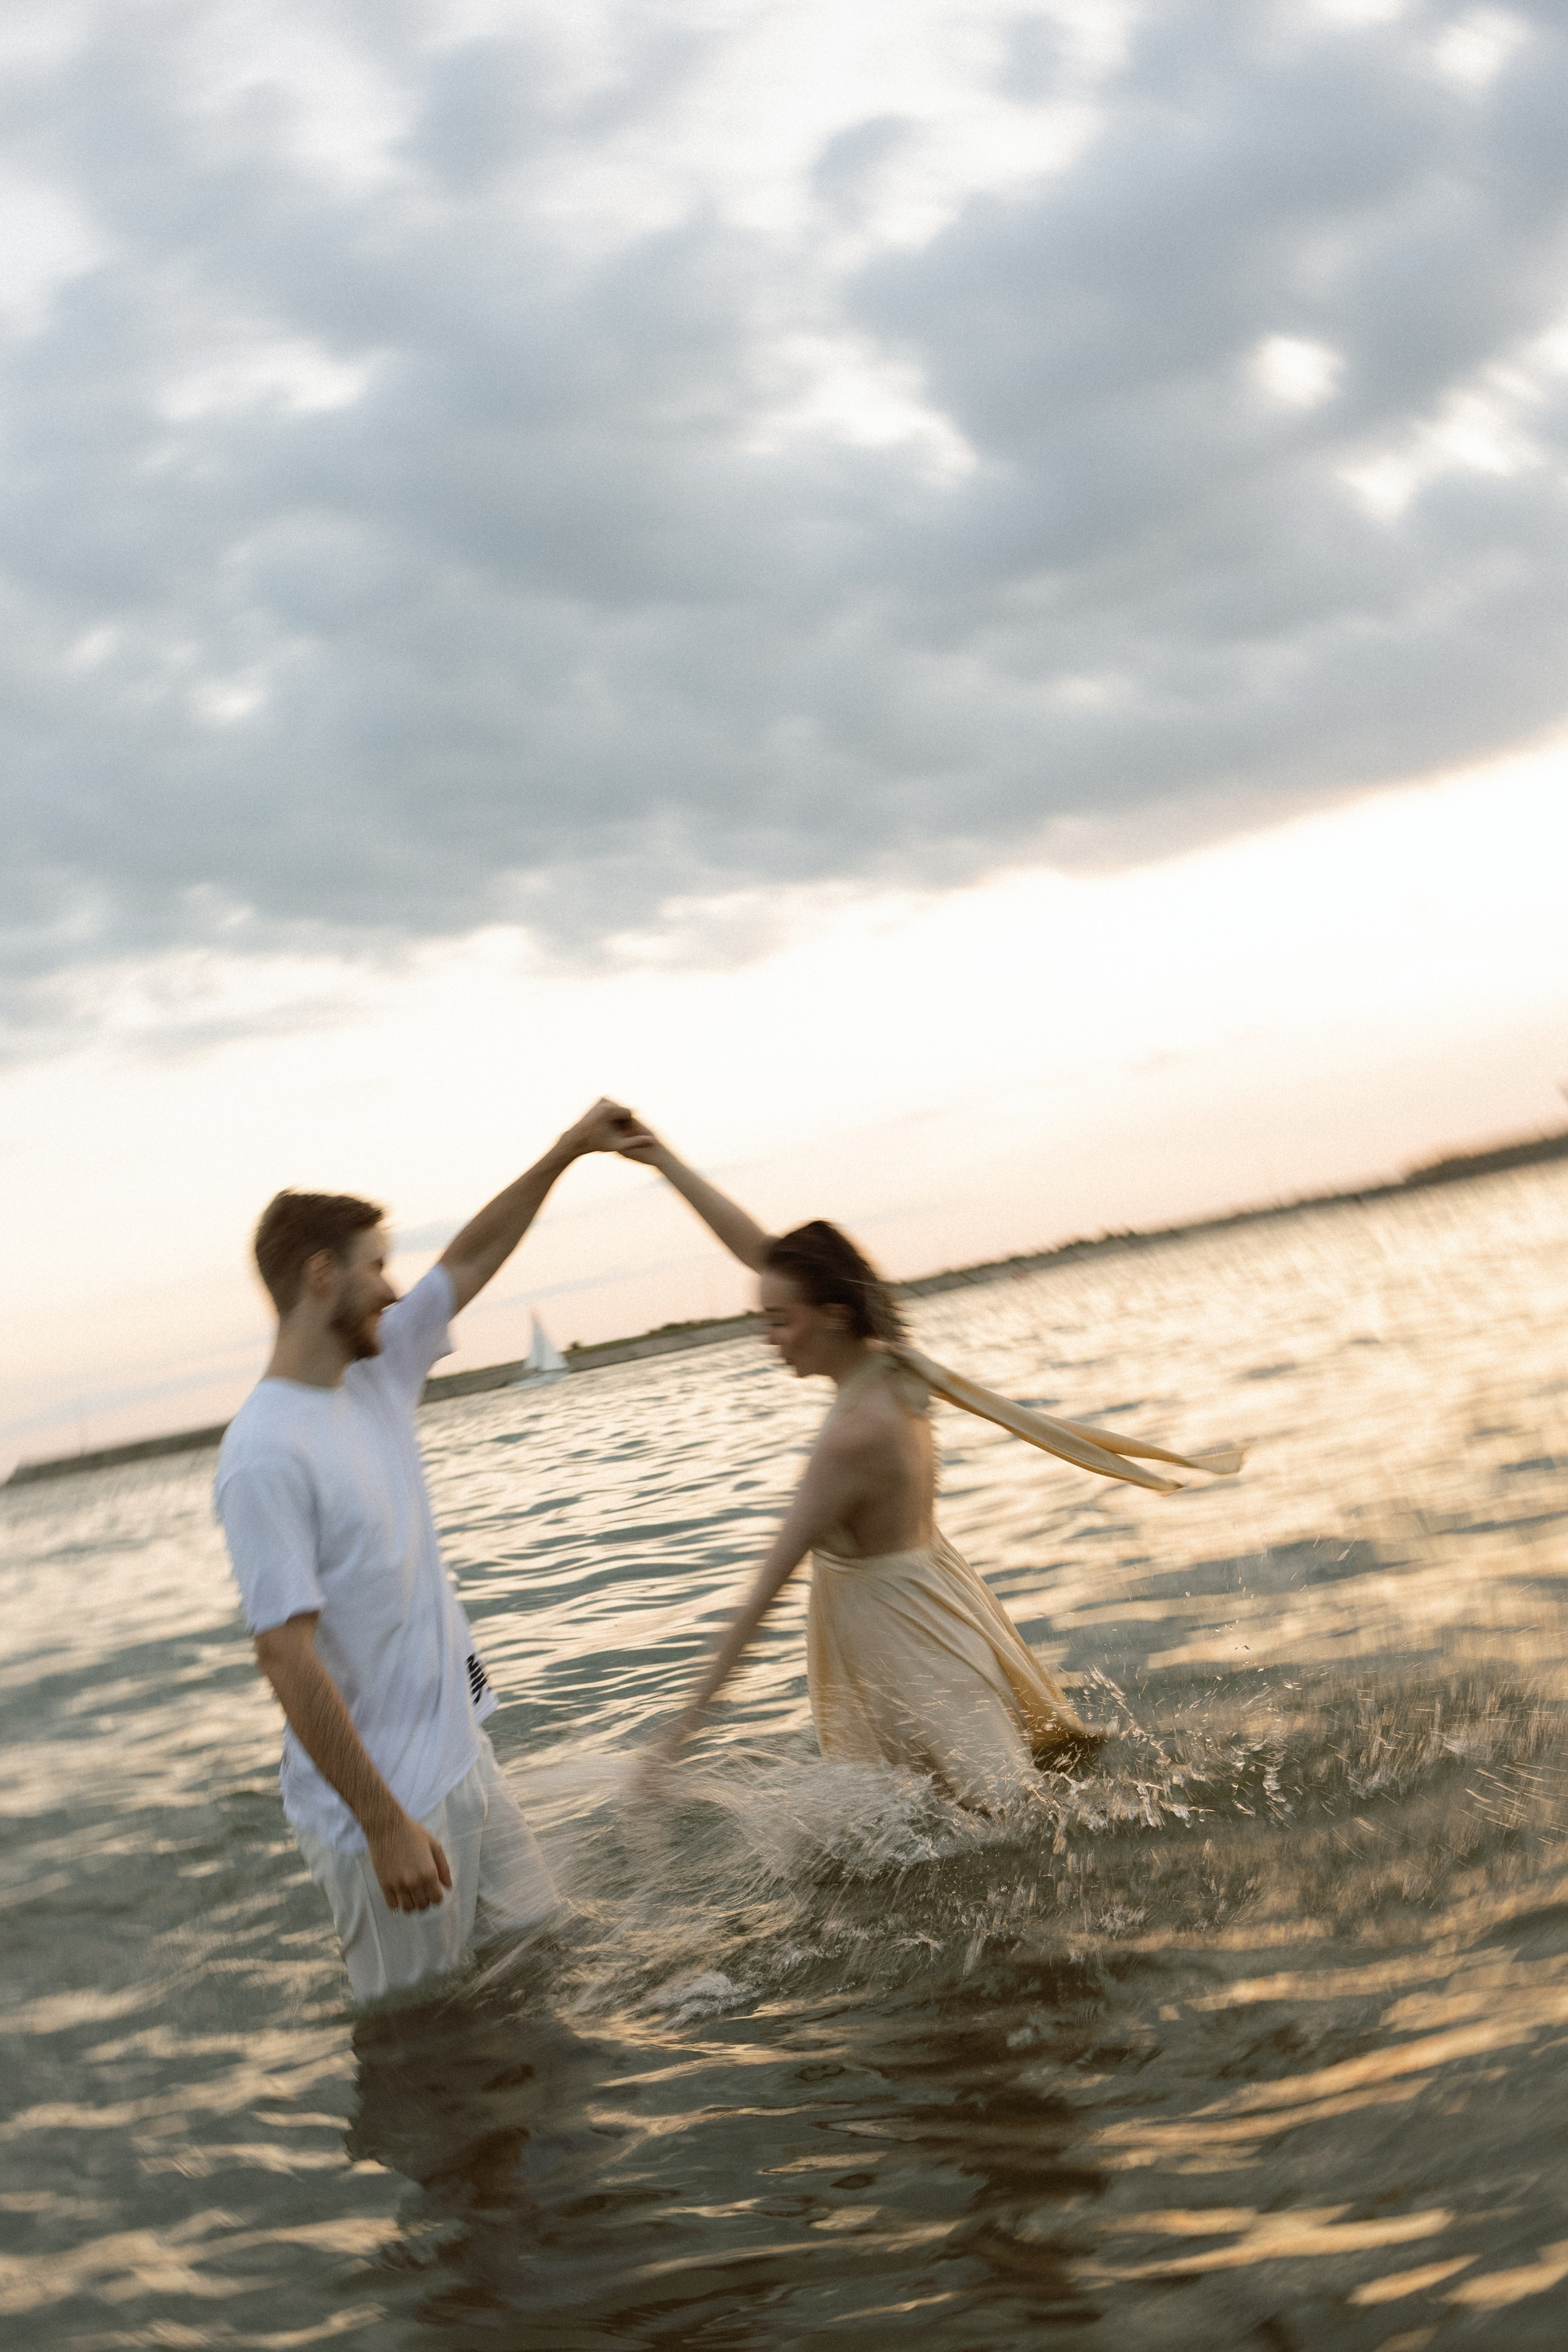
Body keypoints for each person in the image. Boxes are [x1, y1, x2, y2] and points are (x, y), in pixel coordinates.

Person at [622, 1129, 1240, 1809]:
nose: (768, 1338)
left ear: (832, 1317)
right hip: (934, 1608)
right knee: (997, 1817)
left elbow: (761, 1598)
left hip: (906, 1645)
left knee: (996, 1820)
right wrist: (662, 1159)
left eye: (778, 1321)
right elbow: (765, 1253)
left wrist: (672, 1741)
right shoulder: (892, 1364)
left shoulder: (853, 1437)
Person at [215, 1099, 634, 2003]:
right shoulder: (263, 1453)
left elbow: (471, 1259)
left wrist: (569, 1150)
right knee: (422, 2035)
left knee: (548, 1970)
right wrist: (384, 1825)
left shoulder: (375, 1372)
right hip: (385, 1810)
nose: (394, 1289)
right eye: (376, 1266)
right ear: (321, 1275)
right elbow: (286, 1657)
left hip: (464, 1762)